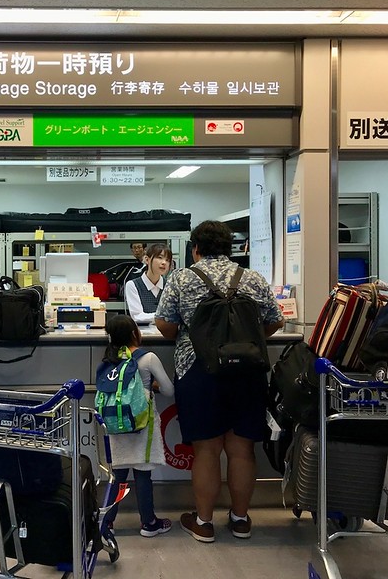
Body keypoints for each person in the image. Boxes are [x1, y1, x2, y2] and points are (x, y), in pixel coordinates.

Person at [154, 220, 284, 543]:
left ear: (195, 249)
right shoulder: (253, 278)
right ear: (231, 248)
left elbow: (164, 326)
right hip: (248, 374)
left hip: (200, 373)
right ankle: (240, 520)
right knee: (242, 450)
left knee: (207, 451)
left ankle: (204, 522)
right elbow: (274, 322)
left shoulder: (183, 278)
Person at [100, 314, 174, 538]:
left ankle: (107, 523)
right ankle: (149, 523)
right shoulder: (147, 358)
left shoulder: (108, 360)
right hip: (141, 423)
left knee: (118, 475)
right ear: (135, 333)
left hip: (115, 423)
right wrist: (151, 386)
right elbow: (169, 390)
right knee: (143, 475)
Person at [124, 243, 172, 324]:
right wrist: (163, 316)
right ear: (147, 260)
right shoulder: (133, 285)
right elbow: (137, 316)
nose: (164, 262)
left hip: (167, 334)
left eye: (167, 260)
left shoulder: (170, 285)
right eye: (160, 257)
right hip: (143, 334)